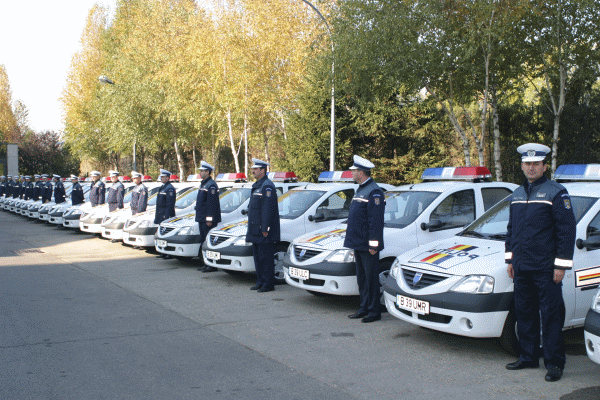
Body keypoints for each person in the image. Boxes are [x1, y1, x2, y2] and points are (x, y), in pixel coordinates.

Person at [505, 143, 576, 382]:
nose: (531, 168)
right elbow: (511, 229)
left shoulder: (556, 192)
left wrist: (560, 266)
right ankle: (528, 356)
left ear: (545, 166)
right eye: (527, 164)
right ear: (522, 165)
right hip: (522, 267)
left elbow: (566, 231)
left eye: (536, 164)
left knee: (551, 316)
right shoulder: (516, 194)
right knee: (524, 314)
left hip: (546, 269)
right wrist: (510, 259)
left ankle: (555, 363)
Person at [344, 155, 385, 323]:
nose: (351, 173)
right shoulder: (361, 189)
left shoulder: (374, 191)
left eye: (354, 171)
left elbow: (375, 222)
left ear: (361, 172)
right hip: (358, 243)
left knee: (371, 279)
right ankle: (364, 308)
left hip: (368, 245)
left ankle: (374, 311)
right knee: (361, 279)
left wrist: (373, 245)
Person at [245, 158, 280, 293]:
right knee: (258, 257)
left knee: (266, 258)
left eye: (256, 169)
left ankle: (268, 284)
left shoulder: (267, 186)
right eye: (253, 169)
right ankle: (260, 281)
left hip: (263, 230)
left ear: (263, 170)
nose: (253, 171)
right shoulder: (258, 185)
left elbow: (267, 209)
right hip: (255, 229)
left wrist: (265, 228)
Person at [195, 161, 221, 273]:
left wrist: (209, 219)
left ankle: (211, 265)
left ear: (207, 172)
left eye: (202, 171)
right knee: (203, 241)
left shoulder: (211, 185)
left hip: (207, 220)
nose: (200, 173)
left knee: (208, 242)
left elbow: (212, 204)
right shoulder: (204, 184)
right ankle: (206, 263)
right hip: (202, 218)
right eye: (200, 171)